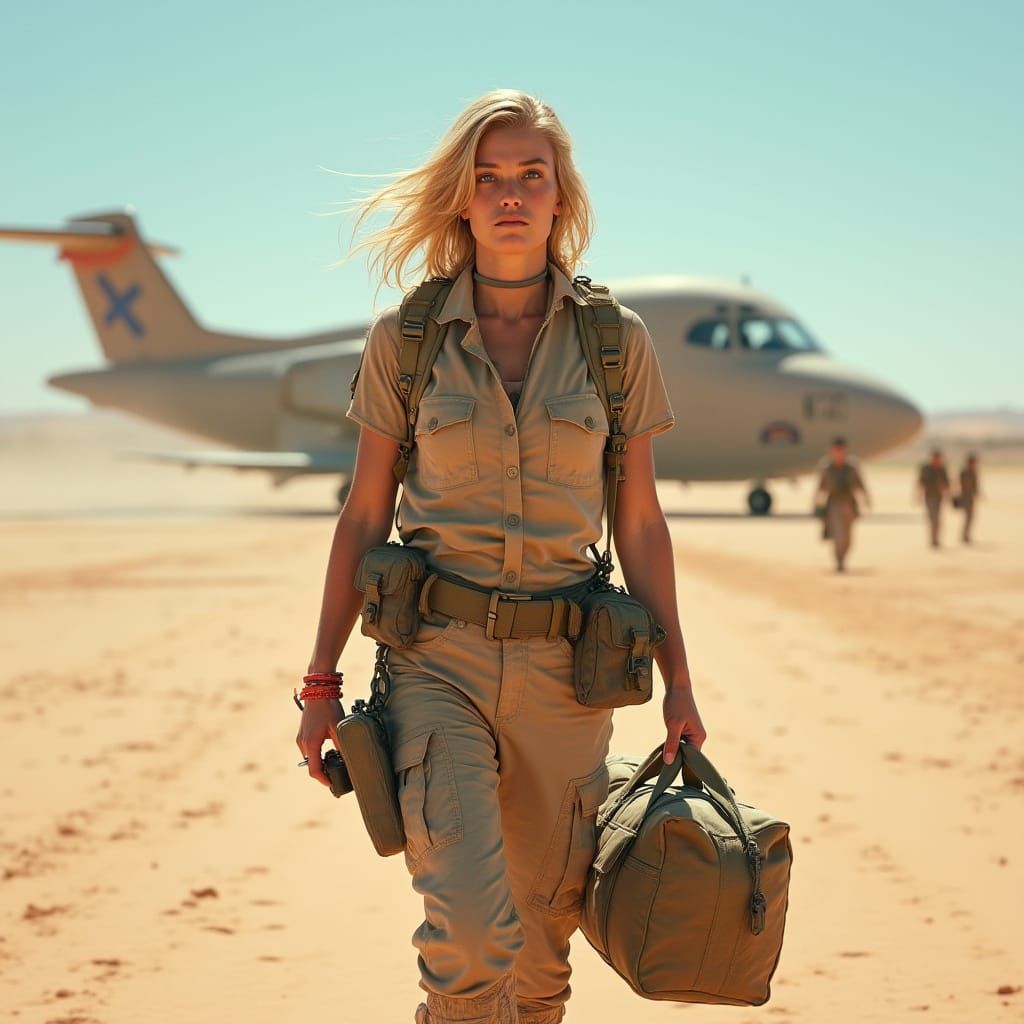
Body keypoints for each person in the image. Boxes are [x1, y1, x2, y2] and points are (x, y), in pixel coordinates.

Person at [295, 90, 706, 1024]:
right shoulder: (405, 341)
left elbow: (641, 524)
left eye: (531, 175)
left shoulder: (616, 343)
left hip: (569, 681)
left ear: (562, 196)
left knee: (541, 957)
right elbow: (364, 513)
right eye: (488, 178)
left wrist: (680, 682)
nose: (510, 194)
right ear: (462, 200)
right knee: (473, 942)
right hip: (437, 666)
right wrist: (320, 681)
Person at [813, 436, 870, 572]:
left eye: (841, 450)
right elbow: (821, 487)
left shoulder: (851, 468)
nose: (838, 453)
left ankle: (843, 557)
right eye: (836, 450)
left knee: (848, 537)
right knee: (838, 534)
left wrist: (866, 499)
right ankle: (839, 561)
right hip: (833, 504)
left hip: (849, 504)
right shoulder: (827, 468)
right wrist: (816, 504)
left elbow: (860, 484)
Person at [917, 449, 951, 548]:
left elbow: (947, 483)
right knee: (933, 518)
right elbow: (920, 482)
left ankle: (935, 539)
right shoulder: (926, 469)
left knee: (938, 519)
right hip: (929, 496)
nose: (937, 460)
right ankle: (933, 540)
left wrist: (948, 494)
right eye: (935, 458)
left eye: (938, 458)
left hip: (939, 497)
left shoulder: (942, 469)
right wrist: (919, 495)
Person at [956, 452, 981, 543]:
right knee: (968, 517)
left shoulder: (973, 471)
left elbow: (975, 485)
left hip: (970, 497)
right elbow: (962, 484)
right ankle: (965, 536)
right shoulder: (965, 471)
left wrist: (976, 493)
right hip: (965, 497)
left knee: (970, 517)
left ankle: (966, 535)